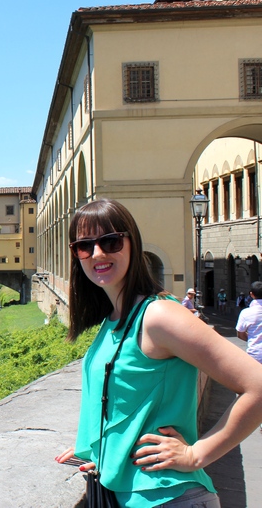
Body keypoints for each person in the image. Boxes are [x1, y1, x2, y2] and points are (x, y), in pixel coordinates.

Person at [54, 199, 262, 507]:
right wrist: (100, 447)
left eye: (110, 241)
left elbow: (257, 385)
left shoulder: (158, 315)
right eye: (85, 246)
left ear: (132, 244)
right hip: (127, 494)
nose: (98, 253)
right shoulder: (113, 319)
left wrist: (196, 453)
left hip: (169, 497)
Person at [236, 281, 262, 366]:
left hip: (255, 354)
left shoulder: (246, 313)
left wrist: (252, 338)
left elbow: (240, 334)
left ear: (251, 294)